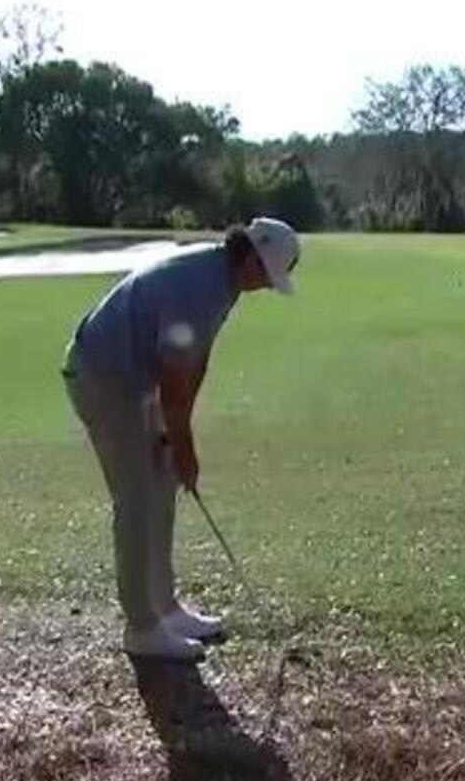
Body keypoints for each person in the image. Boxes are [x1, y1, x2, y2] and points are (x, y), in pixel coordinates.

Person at [63, 218, 300, 661]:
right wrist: (184, 447)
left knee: (161, 486)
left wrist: (176, 444)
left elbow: (196, 362)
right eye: (267, 276)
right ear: (251, 258)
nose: (267, 286)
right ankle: (142, 627)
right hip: (103, 376)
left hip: (134, 380)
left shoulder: (223, 281)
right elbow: (173, 383)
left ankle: (166, 609)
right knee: (137, 500)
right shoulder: (200, 286)